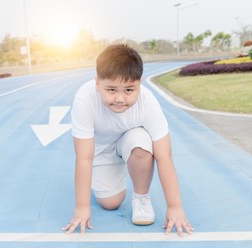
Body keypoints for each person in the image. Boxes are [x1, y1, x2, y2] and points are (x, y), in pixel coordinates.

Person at [62, 44, 193, 237]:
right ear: (97, 83)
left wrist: (175, 207)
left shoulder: (147, 102)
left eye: (129, 90)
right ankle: (113, 172)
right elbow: (84, 157)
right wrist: (82, 208)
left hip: (130, 140)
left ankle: (141, 197)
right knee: (110, 203)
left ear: (139, 84)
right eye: (112, 90)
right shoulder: (85, 99)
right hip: (101, 150)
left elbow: (164, 156)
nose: (120, 98)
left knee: (141, 145)